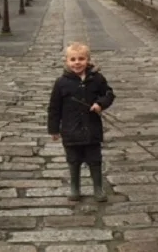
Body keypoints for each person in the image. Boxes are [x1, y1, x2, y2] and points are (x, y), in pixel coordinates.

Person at [47, 41, 116, 202]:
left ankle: (98, 188)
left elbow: (109, 94)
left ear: (88, 60)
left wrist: (100, 104)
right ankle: (75, 188)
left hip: (92, 128)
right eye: (73, 59)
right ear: (67, 61)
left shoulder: (97, 79)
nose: (77, 62)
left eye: (81, 59)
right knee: (73, 160)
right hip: (70, 130)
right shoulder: (61, 83)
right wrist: (54, 129)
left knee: (95, 159)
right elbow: (54, 107)